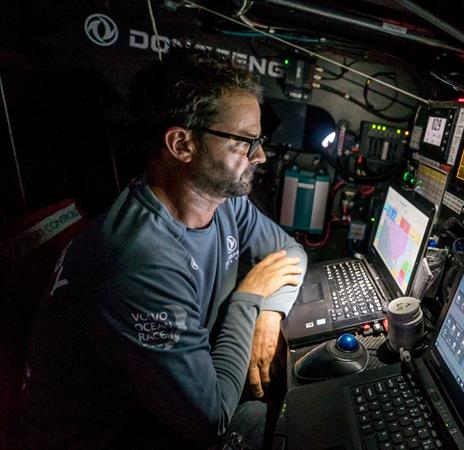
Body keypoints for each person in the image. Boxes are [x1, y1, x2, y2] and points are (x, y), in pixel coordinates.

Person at [19, 47, 306, 449]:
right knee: (274, 420)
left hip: (164, 403)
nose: (259, 155)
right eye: (243, 142)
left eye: (258, 140)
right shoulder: (137, 261)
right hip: (107, 436)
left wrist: (270, 312)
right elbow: (212, 420)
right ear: (182, 145)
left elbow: (291, 253)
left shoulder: (225, 203)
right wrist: (249, 298)